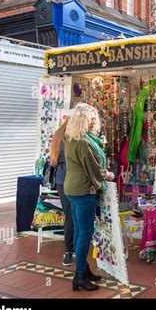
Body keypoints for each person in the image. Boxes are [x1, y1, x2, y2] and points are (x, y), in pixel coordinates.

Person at [64, 103, 115, 292]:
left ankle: (83, 269)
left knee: (79, 231)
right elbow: (94, 169)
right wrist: (107, 175)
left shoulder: (71, 138)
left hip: (72, 189)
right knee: (85, 233)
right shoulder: (84, 143)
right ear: (86, 121)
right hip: (83, 190)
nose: (96, 122)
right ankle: (79, 276)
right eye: (93, 119)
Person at [49, 120, 74, 266]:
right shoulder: (69, 138)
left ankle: (70, 249)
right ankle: (68, 251)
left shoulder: (58, 135)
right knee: (71, 216)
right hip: (69, 179)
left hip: (60, 180)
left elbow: (53, 161)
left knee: (69, 215)